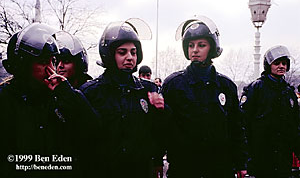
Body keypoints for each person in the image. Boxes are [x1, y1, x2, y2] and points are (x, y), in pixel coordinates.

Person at [0, 23, 98, 178]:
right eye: (44, 61)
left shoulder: (60, 96)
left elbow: (93, 134)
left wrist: (68, 94)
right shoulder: (5, 100)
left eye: (53, 60)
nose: (51, 69)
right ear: (23, 65)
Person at [162, 16, 247, 178]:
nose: (195, 50)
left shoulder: (226, 86)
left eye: (201, 45)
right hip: (184, 166)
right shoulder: (173, 84)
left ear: (212, 48)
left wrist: (241, 162)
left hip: (219, 167)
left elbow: (236, 127)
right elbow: (163, 127)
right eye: (191, 45)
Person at [79, 18, 166, 178]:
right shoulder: (91, 91)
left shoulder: (147, 90)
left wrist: (162, 110)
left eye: (133, 52)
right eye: (122, 52)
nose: (129, 57)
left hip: (139, 171)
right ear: (109, 54)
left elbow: (157, 132)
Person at [240, 45, 300, 178]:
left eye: (284, 63)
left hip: (283, 158)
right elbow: (243, 123)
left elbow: (295, 126)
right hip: (260, 156)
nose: (281, 66)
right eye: (277, 63)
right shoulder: (256, 89)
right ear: (269, 65)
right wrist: (244, 158)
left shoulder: (289, 92)